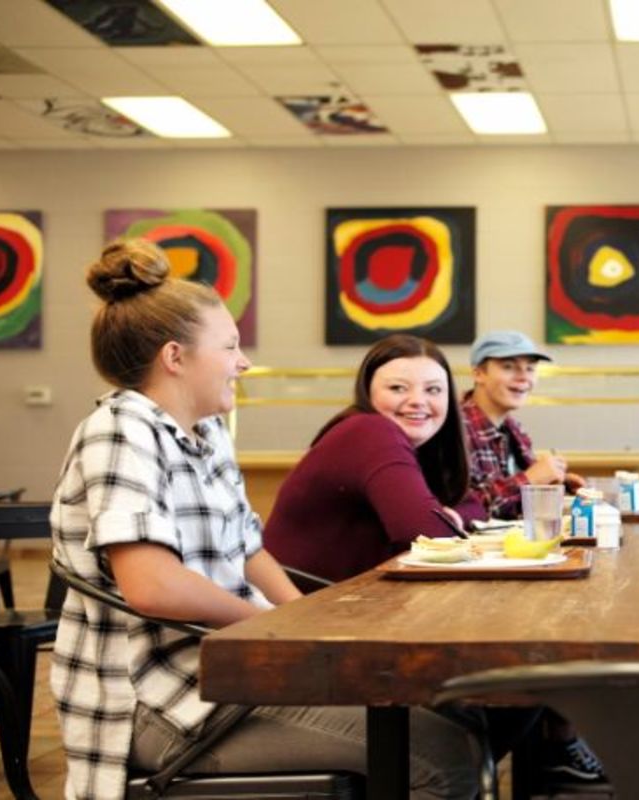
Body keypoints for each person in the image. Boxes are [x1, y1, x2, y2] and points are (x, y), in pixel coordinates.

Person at [50, 240, 478, 800]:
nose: (244, 362)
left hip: (230, 671)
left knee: (454, 712)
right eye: (230, 346)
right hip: (159, 701)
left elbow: (249, 549)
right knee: (440, 756)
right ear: (175, 357)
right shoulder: (121, 429)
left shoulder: (207, 434)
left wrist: (305, 625)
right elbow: (152, 586)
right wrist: (269, 627)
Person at [264, 334, 487, 583]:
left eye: (433, 390)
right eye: (397, 388)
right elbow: (430, 537)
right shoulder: (370, 431)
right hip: (298, 600)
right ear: (367, 392)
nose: (417, 401)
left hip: (349, 596)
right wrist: (446, 523)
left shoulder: (422, 447)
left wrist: (452, 517)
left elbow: (475, 508)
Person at [462, 330, 584, 519]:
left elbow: (514, 494)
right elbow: (466, 510)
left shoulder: (513, 428)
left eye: (530, 368)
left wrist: (557, 481)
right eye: (509, 367)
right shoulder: (456, 429)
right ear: (478, 373)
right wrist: (530, 479)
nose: (523, 377)